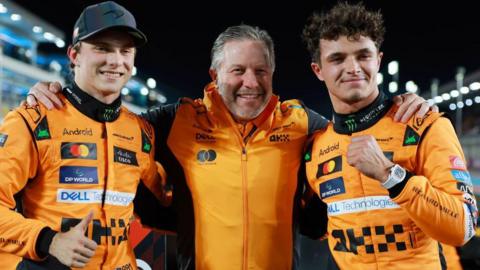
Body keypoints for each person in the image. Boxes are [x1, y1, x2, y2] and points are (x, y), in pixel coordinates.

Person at [27, 24, 433, 269]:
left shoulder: (304, 125)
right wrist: (61, 96)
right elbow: (106, 121)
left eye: (261, 71)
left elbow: (355, 127)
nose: (250, 83)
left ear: (273, 73)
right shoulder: (173, 122)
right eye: (237, 70)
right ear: (214, 73)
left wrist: (399, 105)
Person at [302, 2, 478, 269]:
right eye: (337, 59)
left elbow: (463, 228)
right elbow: (315, 227)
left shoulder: (425, 125)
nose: (353, 68)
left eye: (363, 55)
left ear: (378, 60)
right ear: (318, 70)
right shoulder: (314, 147)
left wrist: (391, 175)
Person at [0, 1, 170, 269]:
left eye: (125, 50)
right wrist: (50, 241)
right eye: (102, 48)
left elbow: (162, 202)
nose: (116, 60)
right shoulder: (32, 120)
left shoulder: (140, 131)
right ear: (74, 55)